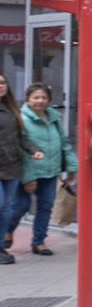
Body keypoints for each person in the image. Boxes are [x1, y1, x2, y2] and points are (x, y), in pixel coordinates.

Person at [5, 84, 74, 258]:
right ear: (28, 99)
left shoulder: (54, 117)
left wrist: (71, 167)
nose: (40, 101)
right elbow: (20, 148)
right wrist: (29, 178)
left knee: (46, 206)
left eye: (43, 98)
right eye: (36, 97)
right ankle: (8, 230)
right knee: (20, 207)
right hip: (26, 172)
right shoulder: (20, 118)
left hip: (50, 171)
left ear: (48, 100)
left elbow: (64, 142)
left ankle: (39, 241)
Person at [0, 75, 43, 265]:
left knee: (6, 210)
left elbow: (21, 137)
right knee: (0, 205)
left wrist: (34, 150)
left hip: (11, 167)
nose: (1, 86)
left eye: (2, 82)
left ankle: (0, 246)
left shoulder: (11, 109)